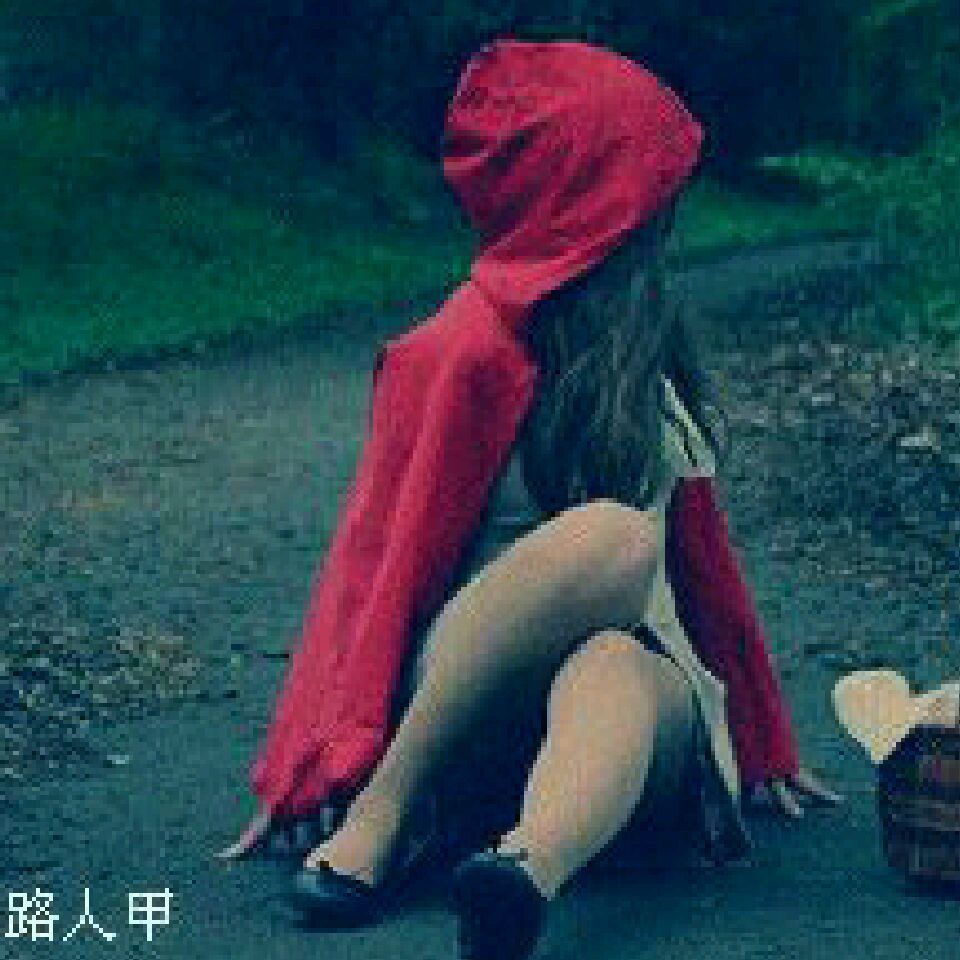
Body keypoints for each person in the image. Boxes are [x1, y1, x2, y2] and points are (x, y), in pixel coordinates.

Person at [220, 40, 841, 958]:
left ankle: (522, 872)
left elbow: (703, 563)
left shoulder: (644, 353)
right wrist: (309, 761)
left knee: (616, 658)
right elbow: (372, 562)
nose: (666, 212)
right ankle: (389, 810)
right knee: (613, 538)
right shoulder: (456, 351)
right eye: (648, 185)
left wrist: (763, 737)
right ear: (590, 196)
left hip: (623, 744)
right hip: (465, 716)